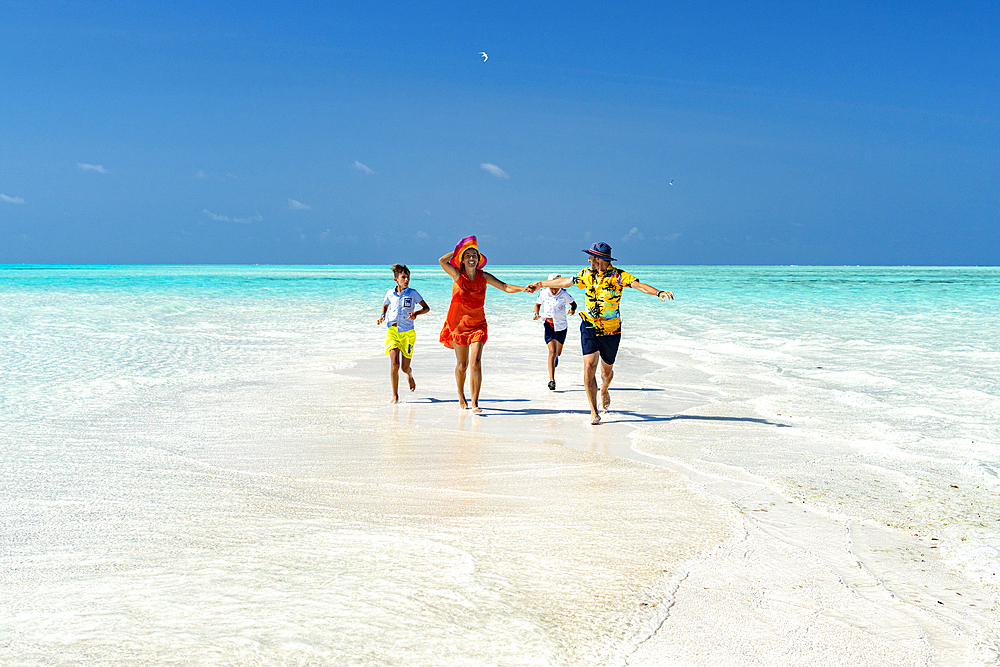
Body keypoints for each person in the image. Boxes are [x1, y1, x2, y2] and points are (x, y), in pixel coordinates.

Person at [526, 241, 674, 425]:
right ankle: (594, 411)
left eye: (591, 257)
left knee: (606, 373)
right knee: (589, 366)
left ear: (600, 259)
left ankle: (604, 388)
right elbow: (565, 282)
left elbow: (639, 285)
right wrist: (540, 283)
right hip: (589, 327)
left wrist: (658, 292)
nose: (588, 260)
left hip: (612, 331)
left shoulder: (619, 276)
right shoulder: (586, 275)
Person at [439, 235, 526, 413]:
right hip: (458, 325)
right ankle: (461, 395)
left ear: (478, 260)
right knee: (462, 365)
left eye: (474, 256)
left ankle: (475, 402)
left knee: (476, 362)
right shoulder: (457, 275)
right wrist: (458, 251)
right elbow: (442, 261)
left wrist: (523, 288)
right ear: (462, 260)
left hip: (478, 324)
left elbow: (505, 287)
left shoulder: (484, 276)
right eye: (468, 255)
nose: (472, 258)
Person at [376, 264, 430, 404]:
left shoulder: (413, 293)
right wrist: (382, 315)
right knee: (394, 364)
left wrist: (416, 313)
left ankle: (410, 375)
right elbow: (385, 305)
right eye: (403, 277)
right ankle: (395, 396)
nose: (406, 280)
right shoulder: (390, 293)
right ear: (396, 280)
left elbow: (426, 308)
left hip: (408, 334)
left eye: (408, 277)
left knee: (404, 368)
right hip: (393, 332)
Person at [532, 273, 576, 390]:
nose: (554, 289)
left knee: (558, 353)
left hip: (561, 327)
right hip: (549, 326)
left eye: (556, 286)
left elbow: (573, 303)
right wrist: (536, 314)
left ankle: (556, 357)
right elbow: (537, 305)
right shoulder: (544, 293)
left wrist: (572, 310)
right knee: (552, 352)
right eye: (552, 286)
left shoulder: (564, 294)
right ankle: (552, 380)